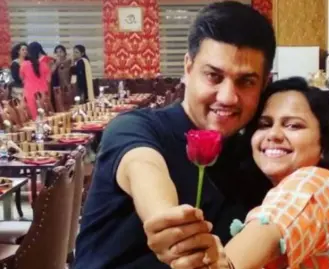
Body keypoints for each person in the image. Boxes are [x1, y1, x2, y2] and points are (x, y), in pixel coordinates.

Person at [74, 2, 276, 269]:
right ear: (188, 68)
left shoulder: (253, 160)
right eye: (213, 76)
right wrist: (169, 223)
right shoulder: (134, 128)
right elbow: (143, 168)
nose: (227, 97)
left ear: (264, 85)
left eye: (246, 82)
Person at [171, 77, 329, 269]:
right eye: (264, 125)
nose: (273, 134)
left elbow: (272, 226)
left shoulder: (314, 182)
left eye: (293, 126)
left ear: (325, 145)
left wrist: (222, 264)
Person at [20, 42, 51, 118]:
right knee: (44, 118)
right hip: (42, 94)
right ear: (39, 52)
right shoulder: (44, 65)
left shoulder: (24, 64)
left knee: (33, 119)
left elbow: (22, 78)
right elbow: (49, 80)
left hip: (29, 95)